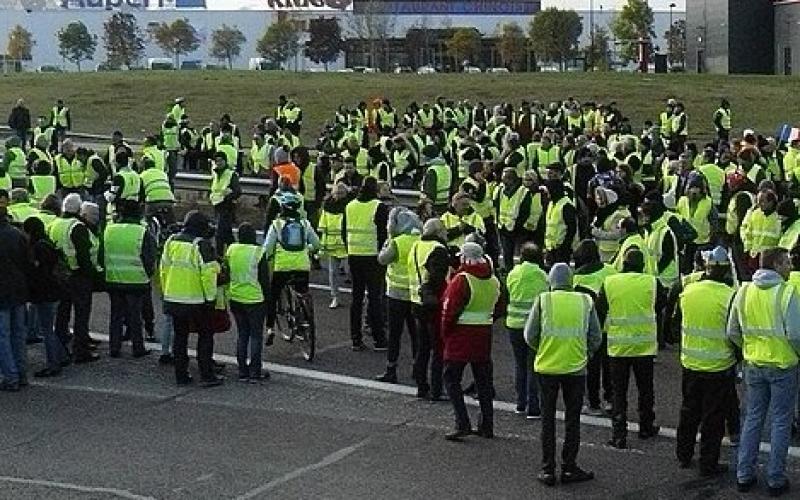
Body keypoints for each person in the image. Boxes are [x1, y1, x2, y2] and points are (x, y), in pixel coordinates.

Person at [728, 248, 800, 496]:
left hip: (754, 364)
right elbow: (795, 334)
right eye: (787, 263)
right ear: (776, 265)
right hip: (782, 365)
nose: (790, 267)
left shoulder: (744, 291)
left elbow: (732, 331)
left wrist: (748, 348)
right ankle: (775, 478)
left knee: (753, 418)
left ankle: (744, 474)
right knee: (780, 422)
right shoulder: (786, 293)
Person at [526, 262, 601, 486]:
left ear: (551, 281)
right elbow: (596, 337)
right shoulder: (585, 301)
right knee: (572, 419)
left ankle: (548, 469)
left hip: (547, 367)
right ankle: (569, 467)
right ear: (571, 281)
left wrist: (543, 349)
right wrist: (585, 354)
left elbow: (530, 334)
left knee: (547, 419)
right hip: (575, 368)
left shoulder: (544, 300)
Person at [671, 246, 737, 477]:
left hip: (691, 363)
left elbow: (676, 322)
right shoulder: (730, 296)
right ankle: (708, 463)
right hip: (719, 366)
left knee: (689, 411)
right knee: (713, 418)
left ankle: (683, 454)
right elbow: (735, 332)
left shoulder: (689, 291)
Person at [599, 248, 664, 449]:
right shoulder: (652, 282)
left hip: (618, 346)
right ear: (642, 265)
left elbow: (600, 310)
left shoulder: (610, 282)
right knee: (646, 389)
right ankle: (646, 426)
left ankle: (619, 434)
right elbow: (660, 305)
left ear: (624, 264)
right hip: (644, 346)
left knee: (619, 392)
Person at [440, 242, 502, 441]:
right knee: (483, 383)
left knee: (451, 380)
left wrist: (445, 334)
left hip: (460, 336)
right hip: (483, 336)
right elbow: (501, 305)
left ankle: (462, 423)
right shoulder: (493, 280)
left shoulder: (462, 280)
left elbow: (449, 311)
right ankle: (487, 425)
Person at [160, 211, 223, 387]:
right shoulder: (201, 245)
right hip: (196, 300)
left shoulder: (171, 241)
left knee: (180, 337)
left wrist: (166, 292)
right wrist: (211, 299)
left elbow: (163, 269)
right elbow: (208, 275)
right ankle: (206, 374)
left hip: (173, 298)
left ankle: (181, 374)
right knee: (205, 335)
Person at [263, 190, 320, 344]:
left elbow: (267, 249)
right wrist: (308, 249)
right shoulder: (305, 224)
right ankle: (304, 321)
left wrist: (268, 257)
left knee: (273, 295)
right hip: (302, 265)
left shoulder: (276, 224)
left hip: (282, 266)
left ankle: (270, 328)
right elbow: (316, 244)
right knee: (302, 291)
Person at [50, 193, 100, 364]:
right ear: (79, 210)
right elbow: (83, 255)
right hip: (78, 275)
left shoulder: (54, 224)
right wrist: (92, 275)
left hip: (59, 275)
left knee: (62, 314)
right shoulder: (77, 227)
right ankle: (81, 350)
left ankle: (59, 350)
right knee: (81, 315)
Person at [375, 207, 422, 383]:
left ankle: (391, 368)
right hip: (415, 294)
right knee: (415, 333)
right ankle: (418, 367)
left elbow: (382, 259)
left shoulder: (396, 242)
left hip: (396, 293)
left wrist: (388, 240)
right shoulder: (420, 240)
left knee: (395, 334)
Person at [344, 176, 389, 351]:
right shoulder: (379, 206)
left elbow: (344, 231)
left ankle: (355, 339)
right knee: (374, 298)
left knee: (356, 299)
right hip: (373, 257)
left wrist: (350, 248)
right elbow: (384, 234)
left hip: (354, 255)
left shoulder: (350, 206)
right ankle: (379, 339)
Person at [572, 240, 616, 415]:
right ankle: (611, 400)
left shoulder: (577, 279)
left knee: (592, 367)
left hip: (590, 328)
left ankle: (593, 403)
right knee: (609, 366)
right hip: (611, 325)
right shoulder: (610, 270)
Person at [409, 218, 451, 400]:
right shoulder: (438, 249)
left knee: (422, 348)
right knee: (438, 349)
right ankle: (436, 389)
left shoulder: (416, 245)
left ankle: (421, 386)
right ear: (439, 232)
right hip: (434, 303)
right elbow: (437, 277)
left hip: (416, 301)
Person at [505, 243, 548, 417]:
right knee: (533, 365)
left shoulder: (513, 273)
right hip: (534, 325)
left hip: (514, 324)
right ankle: (533, 406)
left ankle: (520, 403)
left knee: (520, 364)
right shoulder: (542, 276)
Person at [23, 217, 67, 378]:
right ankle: (61, 355)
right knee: (48, 328)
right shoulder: (47, 244)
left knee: (47, 329)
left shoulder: (38, 248)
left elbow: (39, 275)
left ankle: (53, 363)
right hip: (54, 291)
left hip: (44, 294)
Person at [225, 223, 270, 383]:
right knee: (256, 336)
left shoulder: (232, 250)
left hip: (236, 297)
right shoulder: (258, 252)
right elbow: (264, 279)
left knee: (242, 334)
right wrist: (269, 300)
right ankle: (255, 371)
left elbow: (227, 271)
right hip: (254, 298)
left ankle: (242, 370)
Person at [0, 189, 30, 391]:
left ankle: (10, 376)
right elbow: (26, 263)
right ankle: (21, 373)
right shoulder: (17, 235)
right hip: (18, 289)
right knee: (18, 334)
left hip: (2, 291)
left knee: (3, 336)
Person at [319, 182, 348, 309]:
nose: (338, 196)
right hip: (332, 245)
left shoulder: (349, 206)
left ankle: (358, 296)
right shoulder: (327, 206)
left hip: (346, 246)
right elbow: (323, 227)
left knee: (350, 273)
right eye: (336, 193)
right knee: (333, 273)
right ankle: (335, 297)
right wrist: (322, 246)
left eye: (341, 193)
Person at [209, 151, 241, 253]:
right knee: (227, 235)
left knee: (219, 234)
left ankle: (218, 255)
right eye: (216, 161)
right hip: (217, 207)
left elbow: (237, 191)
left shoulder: (231, 174)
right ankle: (235, 252)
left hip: (227, 207)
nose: (218, 163)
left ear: (225, 161)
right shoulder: (215, 174)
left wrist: (227, 198)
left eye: (220, 160)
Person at [544, 178, 577, 266]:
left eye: (548, 190)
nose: (547, 193)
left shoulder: (566, 205)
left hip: (561, 249)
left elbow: (572, 229)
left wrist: (564, 246)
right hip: (550, 247)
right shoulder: (551, 203)